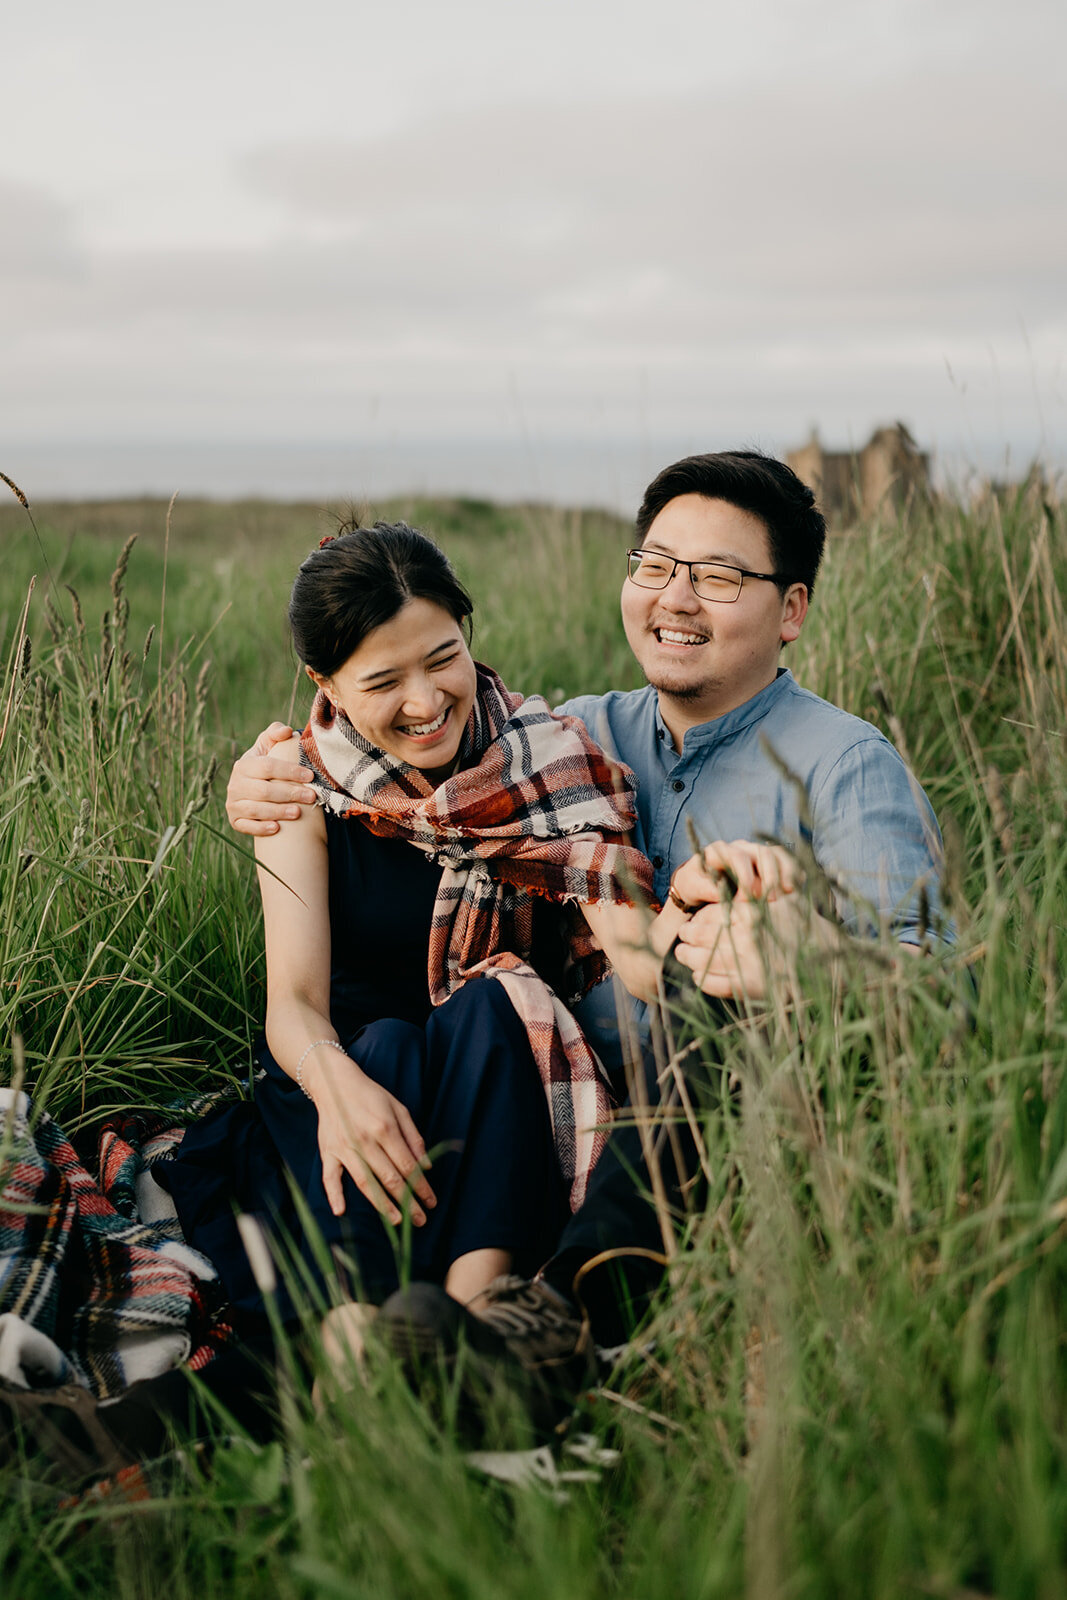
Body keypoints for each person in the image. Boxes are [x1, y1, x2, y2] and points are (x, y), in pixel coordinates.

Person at [222, 451, 950, 1370]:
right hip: (531, 1099)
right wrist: (265, 780)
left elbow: (936, 995)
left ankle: (527, 1324)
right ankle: (422, 1348)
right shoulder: (570, 736)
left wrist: (806, 951)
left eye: (719, 577)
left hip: (706, 1113)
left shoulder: (843, 765)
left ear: (791, 609)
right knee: (428, 1037)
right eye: (655, 566)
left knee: (677, 1007)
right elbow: (437, 781)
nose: (676, 599)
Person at [161, 518, 686, 1338]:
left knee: (497, 996)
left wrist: (717, 925)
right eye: (382, 681)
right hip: (335, 1075)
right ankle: (357, 1335)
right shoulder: (295, 786)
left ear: (466, 634)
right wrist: (340, 1094)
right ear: (325, 683)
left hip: (495, 1090)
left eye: (443, 658)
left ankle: (479, 1316)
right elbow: (292, 1005)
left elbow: (638, 954)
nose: (426, 700)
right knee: (387, 1048)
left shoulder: (547, 763)